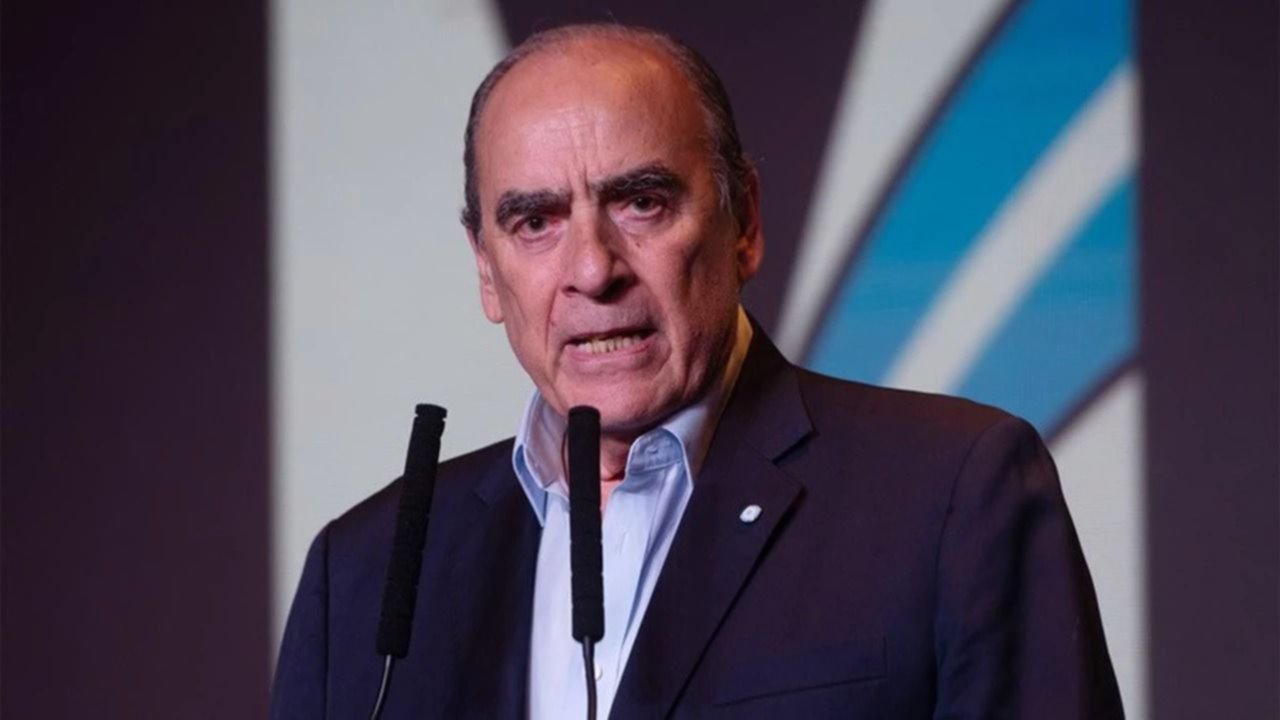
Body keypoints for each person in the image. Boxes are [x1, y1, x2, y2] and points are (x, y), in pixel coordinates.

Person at [271, 23, 1123, 719]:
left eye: (641, 202)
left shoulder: (950, 494)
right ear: (486, 270)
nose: (592, 269)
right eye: (535, 222)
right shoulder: (368, 574)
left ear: (742, 221)